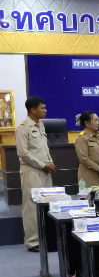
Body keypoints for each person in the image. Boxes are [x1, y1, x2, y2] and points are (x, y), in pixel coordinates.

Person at [16, 96, 55, 252]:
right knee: (32, 207)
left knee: (48, 203)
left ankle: (46, 238)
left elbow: (43, 148)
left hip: (45, 170)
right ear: (33, 110)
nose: (45, 110)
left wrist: (49, 162)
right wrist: (42, 164)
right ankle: (33, 241)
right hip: (31, 171)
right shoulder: (23, 128)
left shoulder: (41, 126)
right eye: (42, 108)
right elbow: (23, 153)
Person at [75, 111, 99, 188]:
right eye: (95, 120)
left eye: (98, 120)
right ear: (87, 123)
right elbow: (84, 159)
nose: (98, 123)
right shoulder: (82, 138)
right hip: (90, 175)